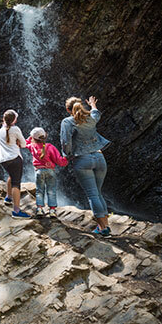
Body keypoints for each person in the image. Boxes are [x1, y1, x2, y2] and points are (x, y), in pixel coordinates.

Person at [60, 96, 111, 236]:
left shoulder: (67, 122)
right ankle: (105, 225)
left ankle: (103, 228)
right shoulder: (90, 118)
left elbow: (66, 143)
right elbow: (96, 113)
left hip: (83, 160)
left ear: (67, 109)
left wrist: (67, 156)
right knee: (98, 193)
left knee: (93, 194)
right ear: (82, 106)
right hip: (100, 157)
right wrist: (93, 104)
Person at [25, 127, 68, 218]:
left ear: (33, 138)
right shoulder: (50, 147)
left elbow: (26, 143)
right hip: (50, 171)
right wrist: (66, 160)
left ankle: (39, 209)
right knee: (51, 191)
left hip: (39, 171)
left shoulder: (32, 146)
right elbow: (59, 161)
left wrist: (30, 137)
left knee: (39, 191)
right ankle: (52, 210)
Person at [0, 109, 30, 218]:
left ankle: (8, 197)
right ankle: (16, 211)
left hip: (4, 160)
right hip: (15, 159)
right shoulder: (15, 129)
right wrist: (19, 143)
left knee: (11, 176)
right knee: (16, 184)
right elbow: (24, 144)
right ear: (14, 120)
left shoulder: (1, 130)